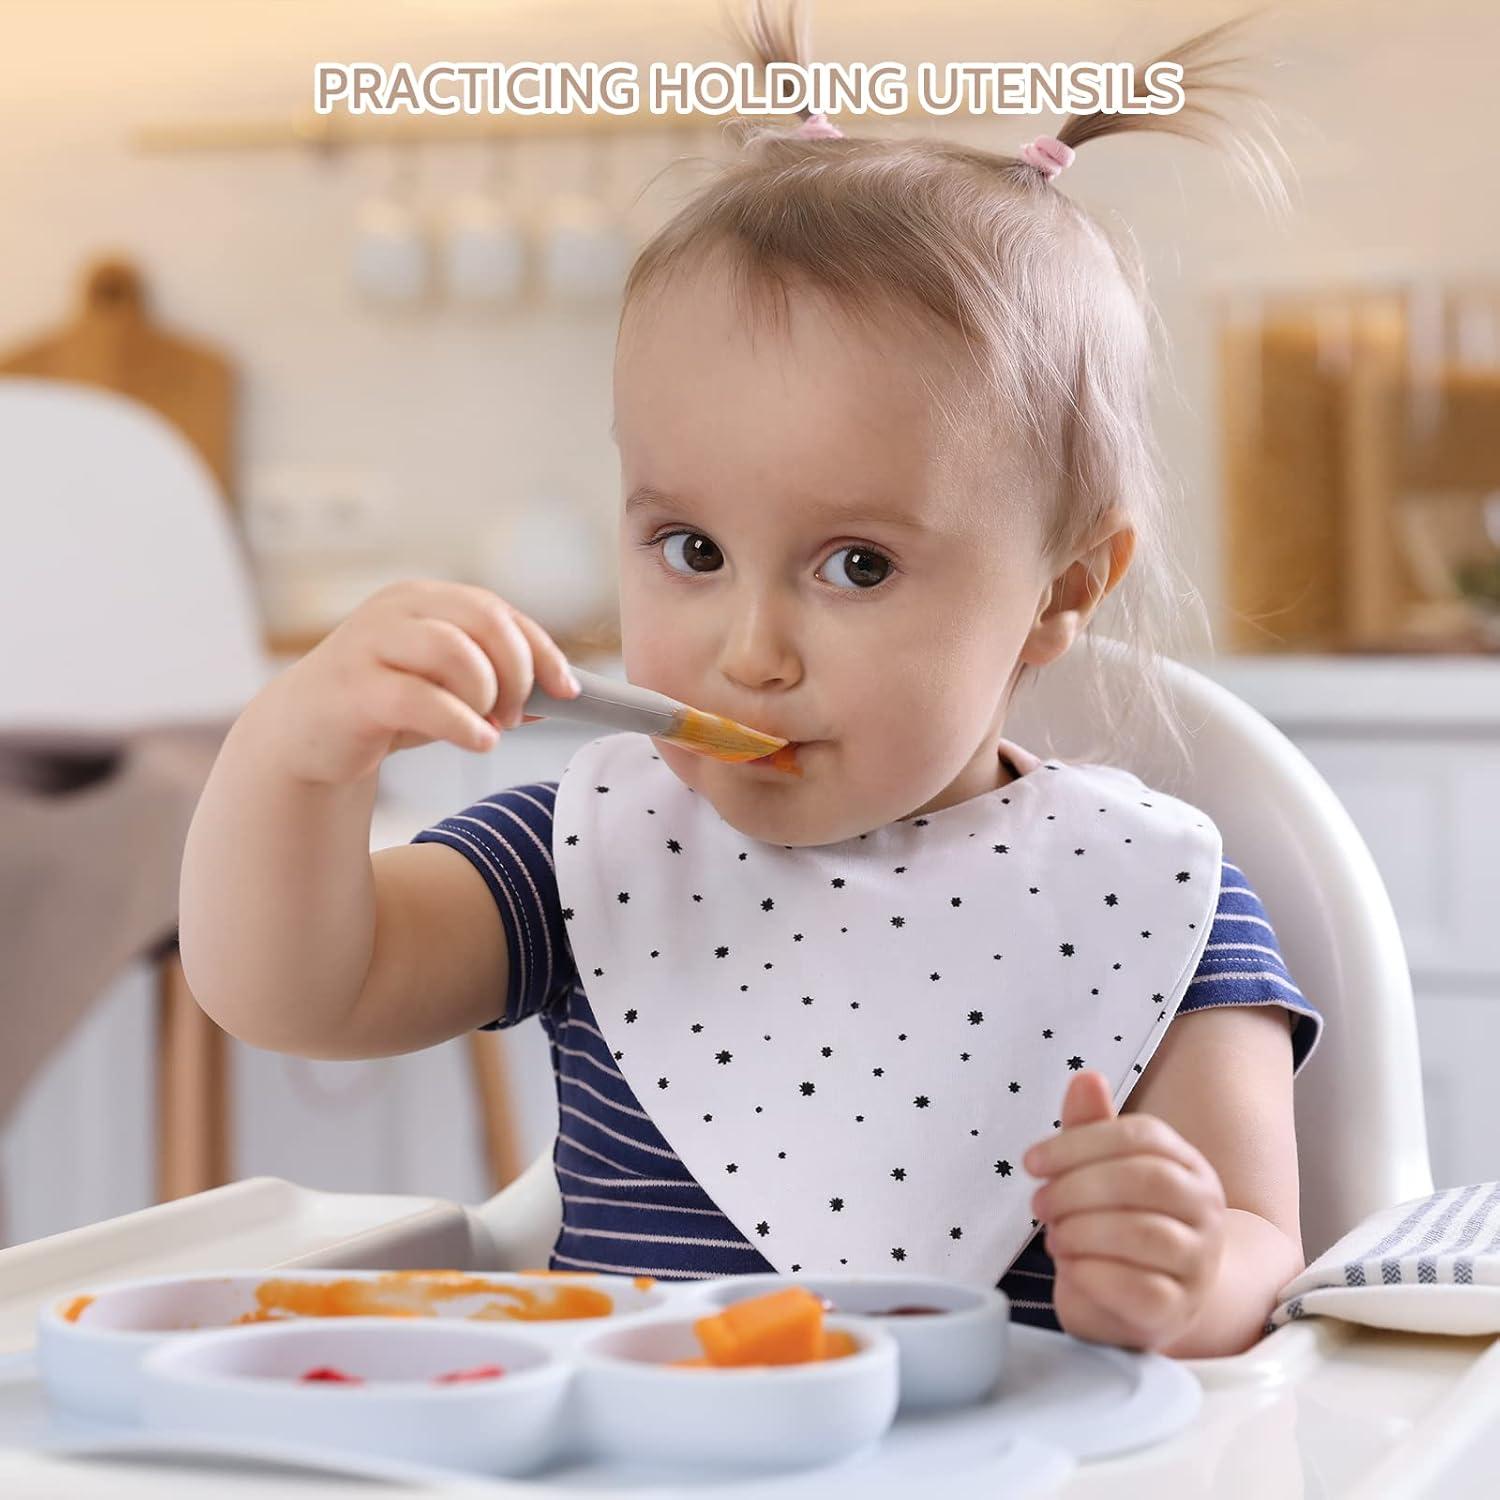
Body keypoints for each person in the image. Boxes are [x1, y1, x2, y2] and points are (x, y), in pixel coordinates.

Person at [180, 3, 1321, 1359]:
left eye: (856, 567)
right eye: (695, 549)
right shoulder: (584, 852)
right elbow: (295, 991)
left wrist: (1189, 1273)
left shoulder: (1151, 895)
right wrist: (298, 753)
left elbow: (1265, 1242)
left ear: (1063, 590)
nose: (750, 649)